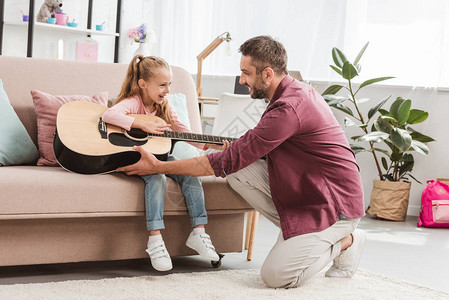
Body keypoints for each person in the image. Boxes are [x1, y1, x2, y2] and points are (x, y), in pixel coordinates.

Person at [117, 37, 366, 288]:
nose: (242, 80)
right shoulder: (291, 93)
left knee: (275, 277)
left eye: (246, 73)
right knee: (239, 171)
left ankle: (346, 240)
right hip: (310, 195)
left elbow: (222, 162)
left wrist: (158, 167)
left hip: (335, 206)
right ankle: (304, 236)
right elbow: (246, 152)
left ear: (267, 74)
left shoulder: (288, 107)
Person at [102, 55, 227, 272]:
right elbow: (109, 114)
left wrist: (209, 145)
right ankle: (155, 241)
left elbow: (184, 133)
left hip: (160, 157)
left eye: (169, 84)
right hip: (136, 159)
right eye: (162, 85)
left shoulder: (165, 106)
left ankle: (198, 233)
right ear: (143, 83)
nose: (167, 90)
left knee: (191, 172)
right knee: (157, 177)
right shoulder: (133, 101)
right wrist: (142, 124)